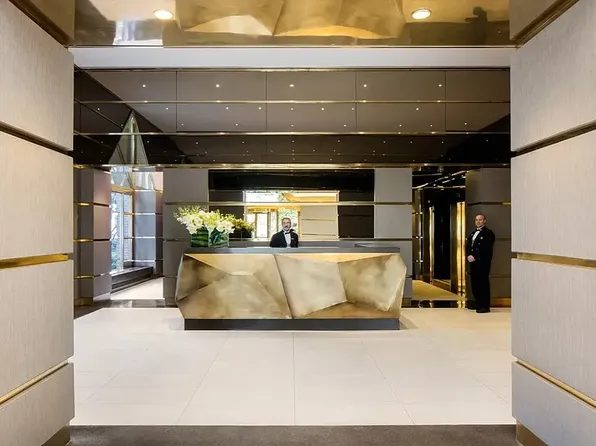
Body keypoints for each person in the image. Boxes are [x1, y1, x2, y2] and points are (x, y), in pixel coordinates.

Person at [466, 213, 495, 313]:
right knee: (475, 283)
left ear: (484, 221)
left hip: (482, 262)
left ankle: (485, 305)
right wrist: (469, 255)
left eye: (480, 220)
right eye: (476, 220)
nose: (478, 221)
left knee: (483, 283)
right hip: (473, 262)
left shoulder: (488, 233)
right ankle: (478, 302)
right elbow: (469, 246)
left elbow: (486, 248)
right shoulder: (473, 233)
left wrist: (475, 257)